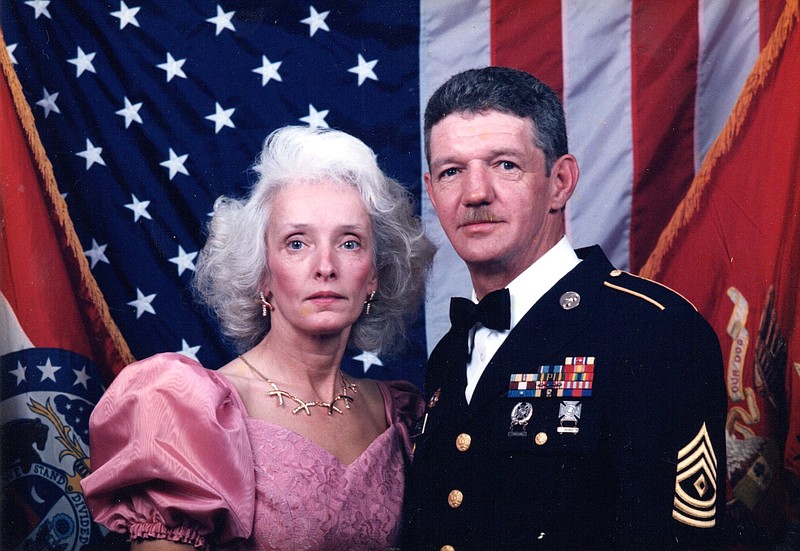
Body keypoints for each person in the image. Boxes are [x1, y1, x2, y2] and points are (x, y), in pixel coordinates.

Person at [402, 67, 727, 549]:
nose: (474, 194)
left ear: (560, 182)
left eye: (505, 165)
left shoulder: (651, 331)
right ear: (432, 192)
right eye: (452, 171)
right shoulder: (450, 354)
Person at [81, 126, 435, 550]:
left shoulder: (400, 415)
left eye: (349, 243)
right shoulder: (191, 411)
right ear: (262, 276)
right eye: (297, 243)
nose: (325, 266)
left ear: (374, 275)